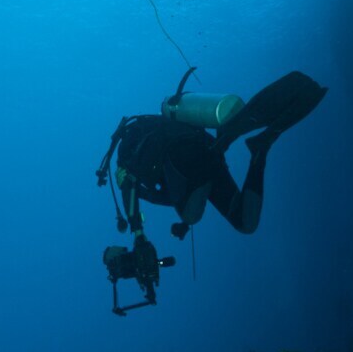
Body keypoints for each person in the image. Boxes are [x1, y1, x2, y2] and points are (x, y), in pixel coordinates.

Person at [97, 69, 329, 239]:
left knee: (191, 215)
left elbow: (144, 196)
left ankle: (226, 143)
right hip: (201, 150)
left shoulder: (126, 161)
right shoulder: (150, 146)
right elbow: (175, 193)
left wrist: (140, 227)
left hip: (187, 156)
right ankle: (258, 148)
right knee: (244, 222)